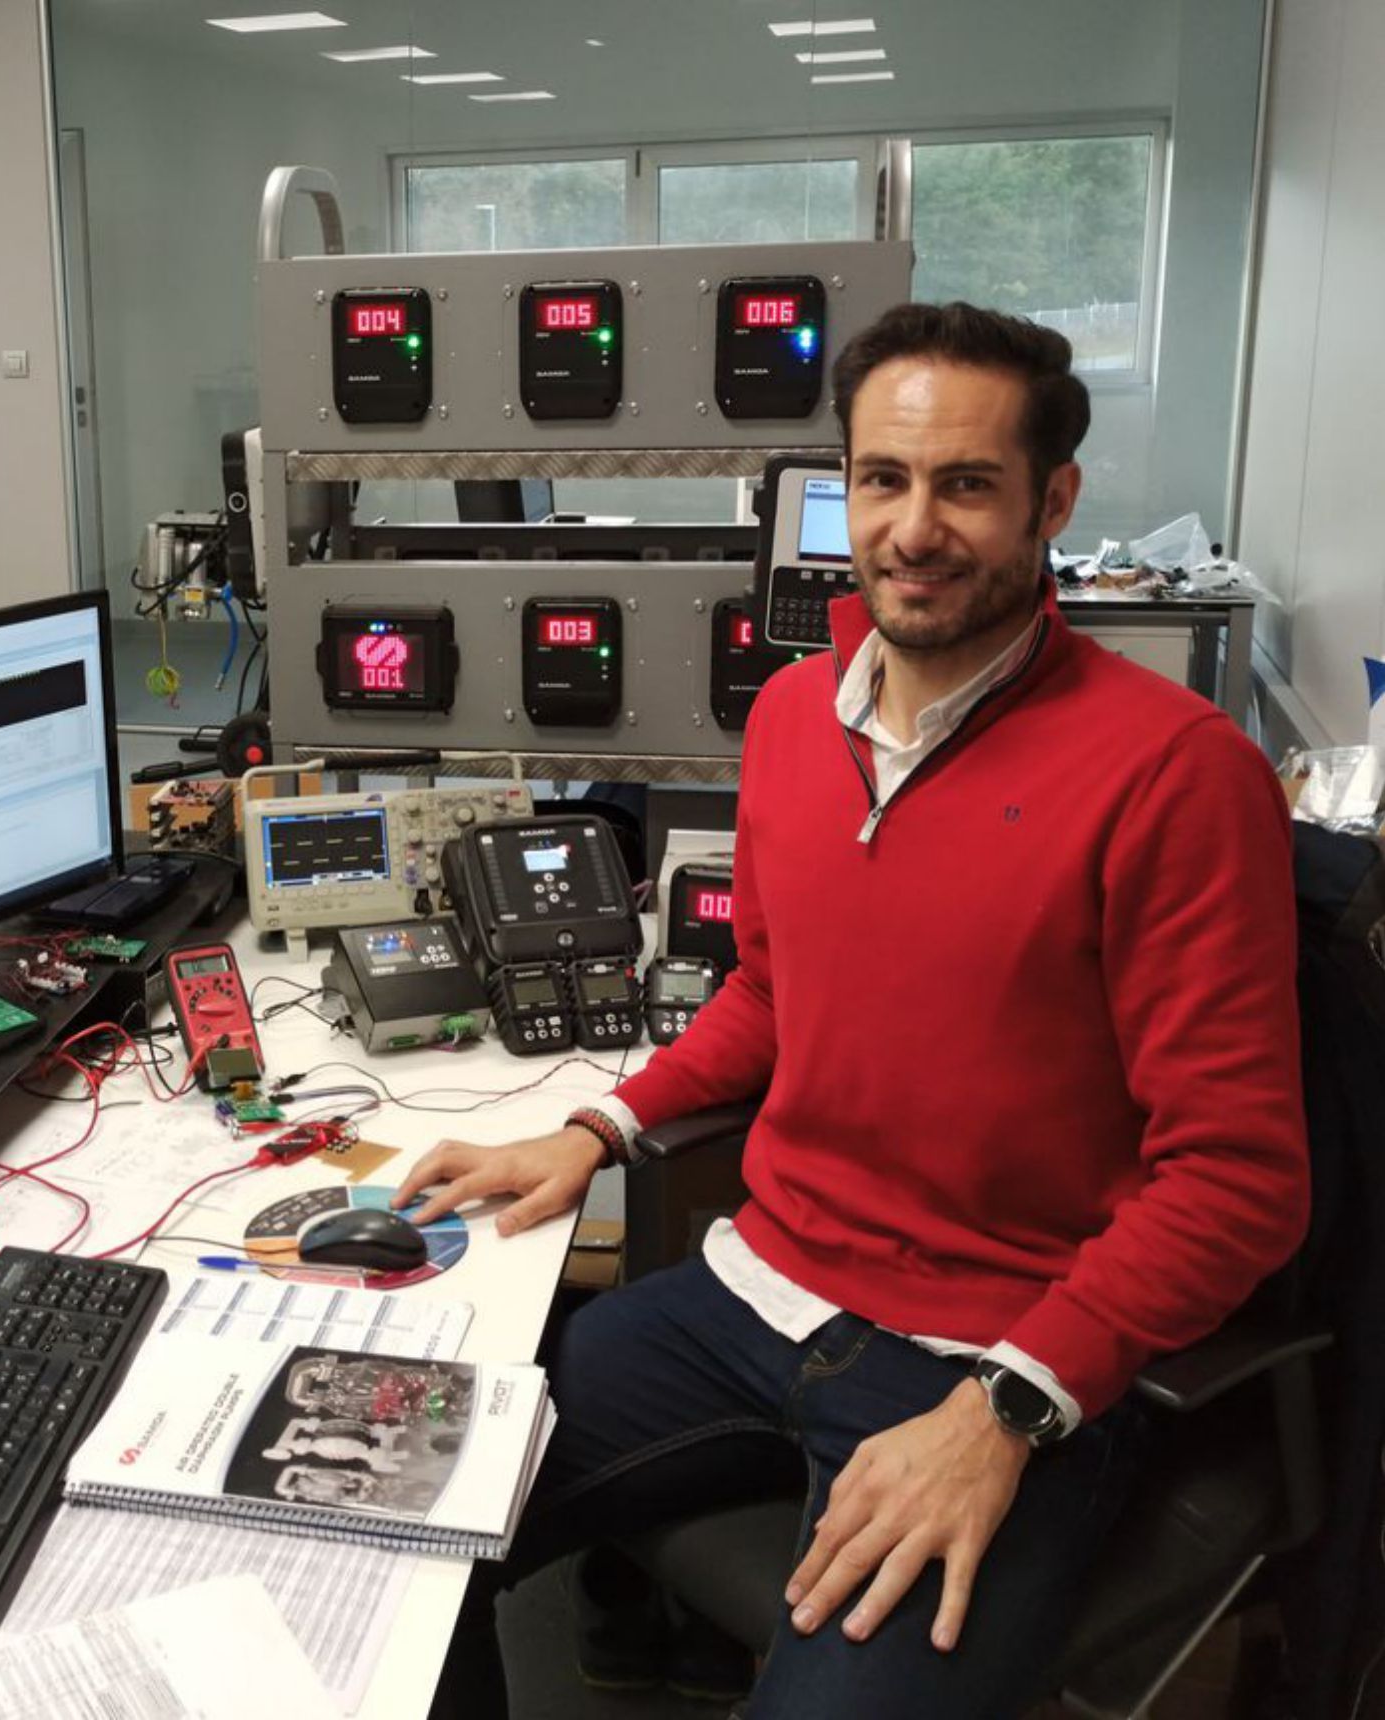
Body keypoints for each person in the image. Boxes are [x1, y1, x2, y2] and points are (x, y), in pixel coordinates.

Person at [396, 301, 1309, 1719]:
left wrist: (1006, 1410)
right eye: (884, 479)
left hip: (997, 1359)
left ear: (1052, 501)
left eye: (967, 485)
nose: (914, 528)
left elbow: (1241, 1179)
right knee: (381, 1534)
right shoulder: (790, 720)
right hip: (750, 1296)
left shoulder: (1176, 776)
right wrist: (599, 1127)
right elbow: (771, 988)